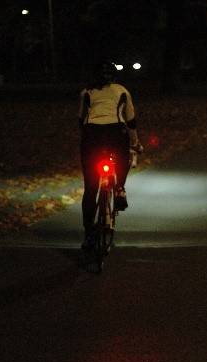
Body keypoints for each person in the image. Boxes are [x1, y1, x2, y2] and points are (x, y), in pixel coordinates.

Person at [77, 61, 141, 251]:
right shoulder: (121, 90)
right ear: (114, 76)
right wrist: (135, 143)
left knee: (90, 189)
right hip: (116, 131)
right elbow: (131, 121)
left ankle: (89, 235)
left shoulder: (86, 92)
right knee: (123, 158)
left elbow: (81, 120)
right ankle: (119, 188)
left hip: (92, 134)